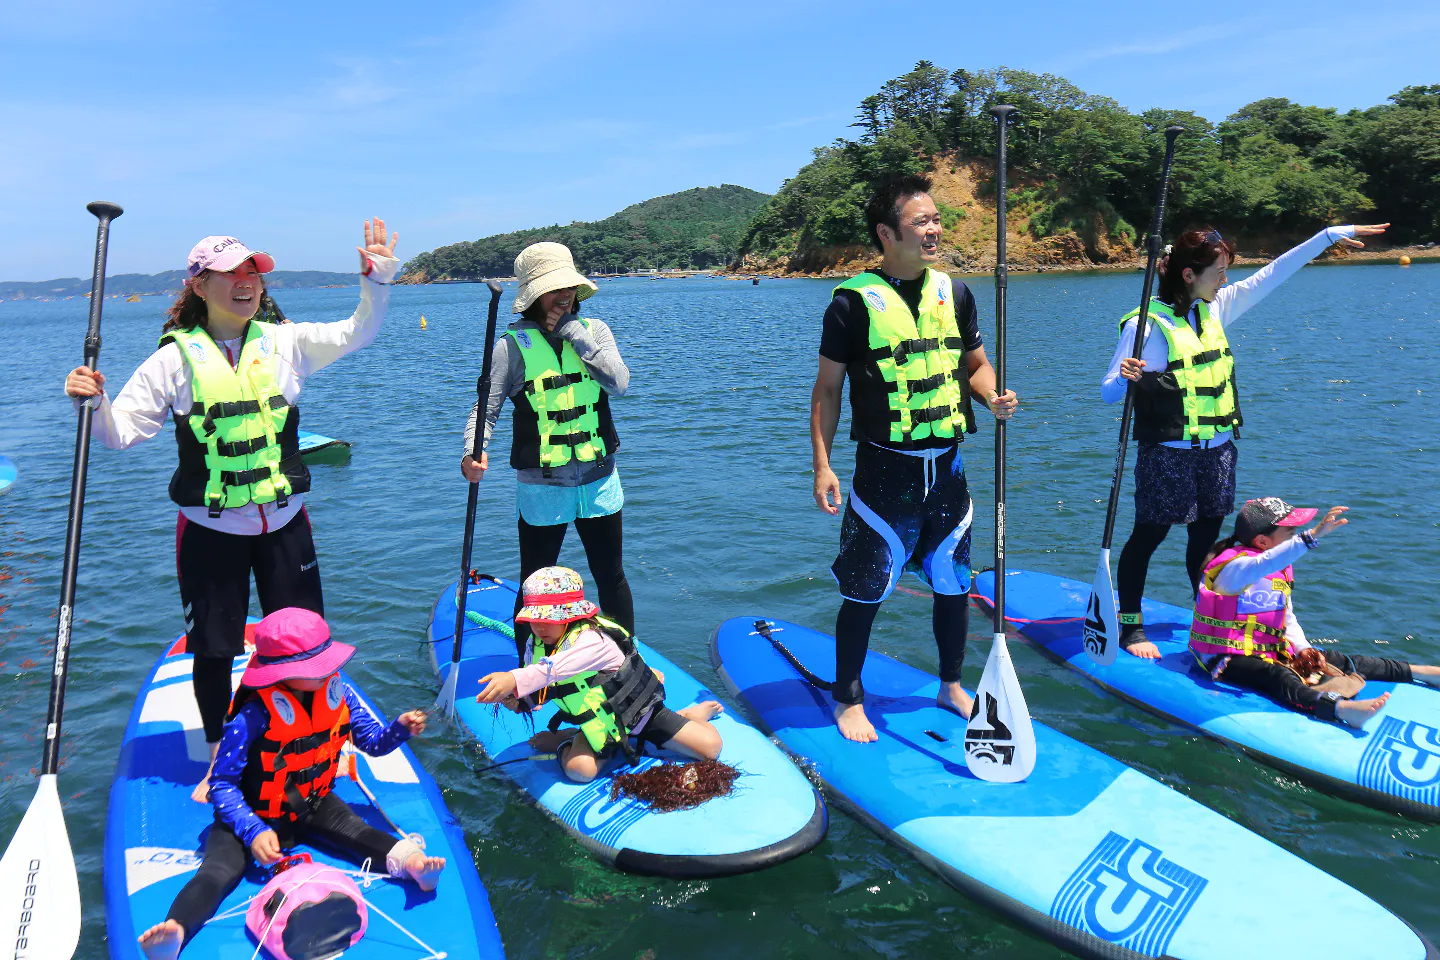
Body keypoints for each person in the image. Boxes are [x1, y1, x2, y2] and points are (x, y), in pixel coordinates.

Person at [64, 222, 399, 801]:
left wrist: (378, 279)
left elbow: (360, 330)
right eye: (230, 274)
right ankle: (221, 757)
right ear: (198, 284)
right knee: (216, 649)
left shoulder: (285, 342)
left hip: (284, 524)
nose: (245, 283)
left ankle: (324, 737)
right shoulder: (171, 363)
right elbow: (120, 435)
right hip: (210, 530)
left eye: (252, 273)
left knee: (306, 640)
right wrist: (93, 402)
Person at [1102, 222, 1390, 659]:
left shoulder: (1217, 308)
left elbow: (1274, 273)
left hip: (1217, 453)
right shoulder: (1147, 328)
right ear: (1188, 275)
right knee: (1149, 537)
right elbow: (1107, 391)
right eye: (1218, 271)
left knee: (1205, 541)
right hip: (1168, 455)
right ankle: (1130, 626)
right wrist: (1124, 378)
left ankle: (1206, 610)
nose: (1226, 279)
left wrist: (1327, 235)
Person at [810, 173, 1018, 744]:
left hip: (948, 471)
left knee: (952, 580)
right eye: (921, 221)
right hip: (885, 473)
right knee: (867, 586)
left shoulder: (956, 293)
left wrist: (992, 395)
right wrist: (822, 465)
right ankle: (847, 696)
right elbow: (827, 391)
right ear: (886, 232)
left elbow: (975, 365)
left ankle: (951, 684)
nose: (934, 229)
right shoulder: (852, 305)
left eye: (935, 219)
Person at [136, 608, 443, 960]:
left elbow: (372, 743)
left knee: (357, 833)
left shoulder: (340, 695)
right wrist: (252, 831)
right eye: (317, 665)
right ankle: (175, 931)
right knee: (218, 871)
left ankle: (413, 866)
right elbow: (222, 785)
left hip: (312, 804)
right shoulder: (251, 716)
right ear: (284, 674)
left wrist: (400, 729)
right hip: (249, 816)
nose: (328, 669)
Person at [462, 242, 632, 660]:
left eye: (569, 288)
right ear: (534, 296)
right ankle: (526, 672)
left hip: (599, 481)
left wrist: (573, 332)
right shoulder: (511, 346)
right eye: (555, 290)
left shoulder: (595, 332)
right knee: (534, 584)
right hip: (543, 488)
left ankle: (626, 661)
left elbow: (620, 383)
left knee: (610, 576)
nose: (565, 297)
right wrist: (472, 452)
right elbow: (486, 408)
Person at [1189, 498, 1440, 728]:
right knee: (1278, 675)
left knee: (1334, 658)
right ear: (1263, 542)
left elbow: (1286, 618)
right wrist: (1312, 536)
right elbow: (1264, 563)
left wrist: (1303, 649)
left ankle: (1422, 672)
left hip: (1267, 649)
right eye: (1290, 533)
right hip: (1224, 658)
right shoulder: (1236, 569)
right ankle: (1341, 709)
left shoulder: (1280, 570)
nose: (1295, 535)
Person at [473, 567, 723, 782]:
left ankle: (691, 715)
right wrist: (520, 701)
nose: (539, 626)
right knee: (579, 771)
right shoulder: (535, 644)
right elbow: (543, 688)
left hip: (641, 715)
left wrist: (513, 679)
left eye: (548, 618)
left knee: (711, 748)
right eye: (533, 619)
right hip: (598, 727)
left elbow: (555, 669)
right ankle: (569, 740)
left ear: (571, 614)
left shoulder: (594, 640)